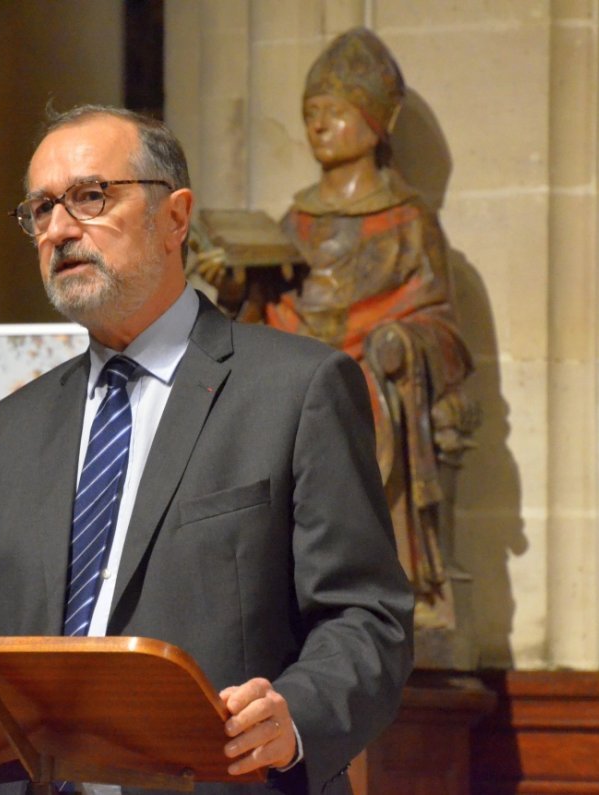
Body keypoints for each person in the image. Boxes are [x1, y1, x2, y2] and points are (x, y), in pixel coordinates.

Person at [0, 104, 413, 795]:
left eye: (90, 197)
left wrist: (294, 717)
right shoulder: (11, 430)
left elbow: (365, 618)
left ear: (175, 218)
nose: (59, 229)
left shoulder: (296, 390)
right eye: (41, 210)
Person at [196, 28, 475, 630]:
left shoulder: (408, 219)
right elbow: (261, 315)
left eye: (335, 112)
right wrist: (239, 285)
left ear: (376, 122)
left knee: (362, 402)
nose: (318, 126)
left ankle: (383, 589)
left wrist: (401, 343)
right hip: (293, 377)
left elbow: (441, 326)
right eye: (310, 114)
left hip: (370, 381)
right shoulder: (294, 220)